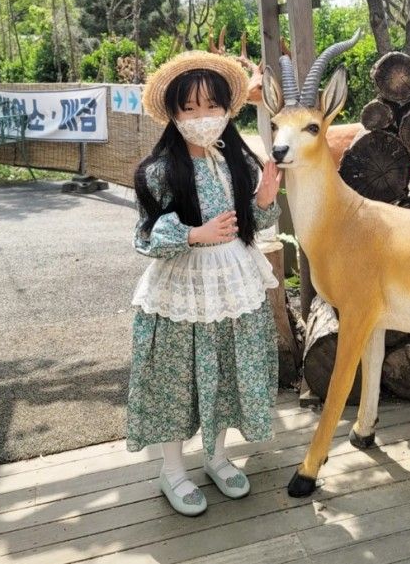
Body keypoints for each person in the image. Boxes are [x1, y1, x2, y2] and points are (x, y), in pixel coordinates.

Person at [129, 50, 282, 516]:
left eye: (211, 107)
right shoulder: (159, 172)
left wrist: (266, 200)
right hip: (180, 290)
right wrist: (193, 234)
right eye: (189, 109)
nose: (202, 118)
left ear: (226, 110)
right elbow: (144, 238)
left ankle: (216, 456)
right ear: (173, 115)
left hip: (233, 282)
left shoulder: (237, 163)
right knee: (176, 381)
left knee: (225, 372)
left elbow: (254, 222)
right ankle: (172, 470)